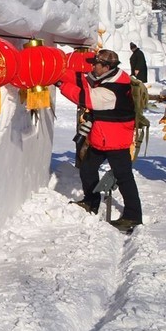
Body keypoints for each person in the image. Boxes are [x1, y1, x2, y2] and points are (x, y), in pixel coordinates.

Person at [57, 48, 142, 232]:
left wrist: (61, 85)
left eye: (96, 64)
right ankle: (91, 201)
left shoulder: (112, 90)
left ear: (106, 67)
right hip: (102, 136)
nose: (93, 67)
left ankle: (133, 216)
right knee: (87, 169)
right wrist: (60, 72)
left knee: (124, 177)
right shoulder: (111, 76)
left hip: (115, 139)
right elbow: (84, 81)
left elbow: (85, 98)